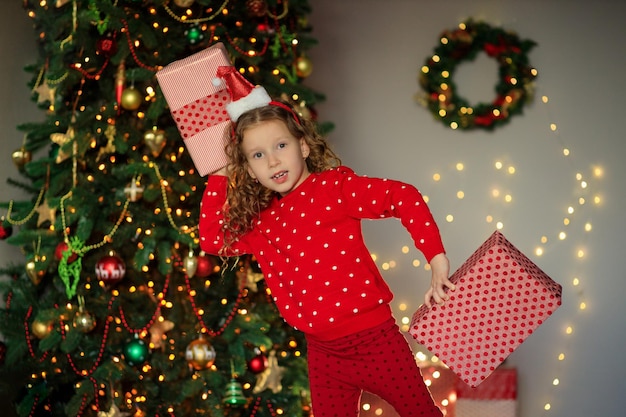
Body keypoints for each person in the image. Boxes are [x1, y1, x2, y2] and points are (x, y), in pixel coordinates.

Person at [198, 72, 454, 417]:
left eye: (281, 146)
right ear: (247, 167)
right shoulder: (261, 222)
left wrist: (436, 261)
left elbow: (403, 196)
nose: (272, 161)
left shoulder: (334, 189)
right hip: (324, 355)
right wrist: (218, 175)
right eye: (257, 155)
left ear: (303, 145)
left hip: (377, 343)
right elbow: (212, 239)